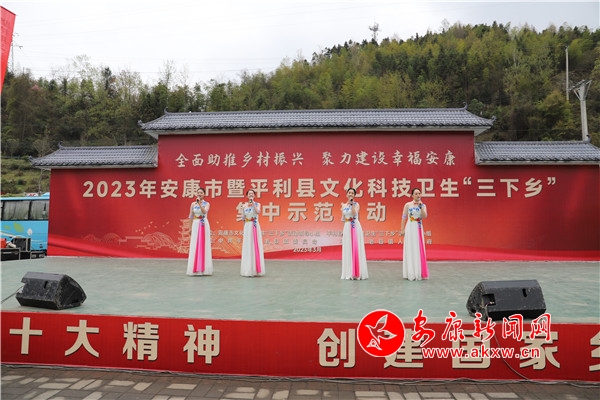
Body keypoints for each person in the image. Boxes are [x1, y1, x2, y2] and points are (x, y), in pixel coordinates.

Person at [400, 188, 429, 281]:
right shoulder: (407, 205)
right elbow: (404, 217)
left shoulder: (423, 205)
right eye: (416, 194)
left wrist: (421, 207)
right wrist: (402, 229)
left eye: (419, 193)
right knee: (410, 247)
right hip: (410, 227)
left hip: (418, 227)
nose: (418, 195)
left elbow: (424, 216)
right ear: (412, 195)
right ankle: (410, 271)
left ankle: (418, 271)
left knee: (418, 248)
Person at [340, 187, 368, 280]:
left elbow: (354, 213)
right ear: (346, 194)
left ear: (354, 195)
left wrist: (352, 204)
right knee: (348, 247)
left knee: (356, 247)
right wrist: (343, 230)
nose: (350, 194)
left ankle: (357, 271)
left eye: (352, 193)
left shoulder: (356, 204)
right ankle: (348, 271)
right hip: (347, 226)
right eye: (349, 193)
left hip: (355, 226)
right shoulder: (343, 205)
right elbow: (343, 218)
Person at [187, 187, 213, 276]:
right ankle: (194, 267)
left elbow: (204, 211)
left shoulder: (207, 204)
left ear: (204, 194)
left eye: (201, 192)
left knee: (203, 244)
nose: (199, 194)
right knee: (195, 244)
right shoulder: (193, 204)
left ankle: (204, 268)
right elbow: (191, 216)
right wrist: (190, 228)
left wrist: (199, 204)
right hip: (195, 223)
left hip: (203, 224)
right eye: (198, 192)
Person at [240, 189, 265, 277]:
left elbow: (258, 211)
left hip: (254, 226)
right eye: (249, 194)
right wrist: (244, 228)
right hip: (247, 226)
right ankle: (248, 269)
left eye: (252, 194)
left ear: (254, 196)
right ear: (246, 196)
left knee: (254, 246)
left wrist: (253, 203)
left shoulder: (257, 204)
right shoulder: (244, 206)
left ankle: (256, 269)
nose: (251, 195)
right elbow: (243, 218)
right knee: (248, 246)